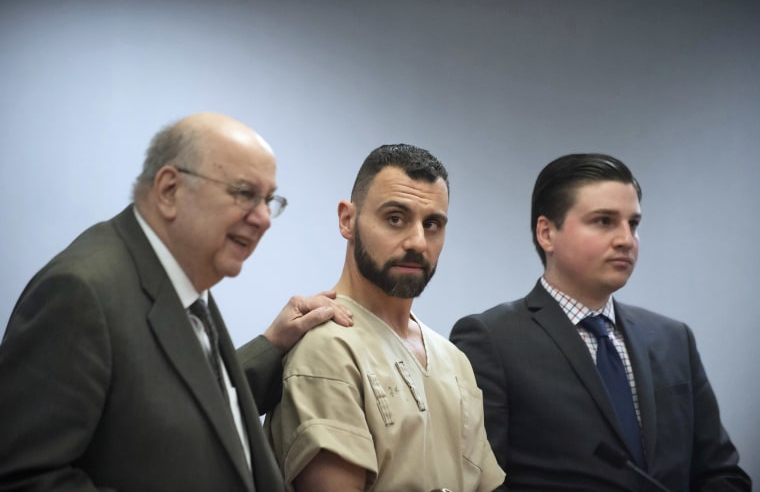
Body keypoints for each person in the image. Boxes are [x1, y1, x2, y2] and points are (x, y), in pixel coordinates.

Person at [0, 112, 352, 492]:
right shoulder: (79, 293)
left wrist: (272, 345)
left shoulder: (182, 277)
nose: (264, 218)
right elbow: (24, 477)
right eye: (245, 194)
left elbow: (179, 407)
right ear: (169, 189)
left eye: (269, 200)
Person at [450, 153, 751, 491]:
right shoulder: (492, 339)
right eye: (604, 221)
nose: (626, 239)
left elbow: (723, 473)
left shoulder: (674, 339)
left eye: (633, 224)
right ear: (547, 233)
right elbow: (480, 483)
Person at [262, 144, 505, 492]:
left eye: (433, 224)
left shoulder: (454, 361)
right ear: (348, 220)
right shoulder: (327, 347)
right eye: (395, 218)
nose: (418, 242)